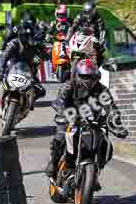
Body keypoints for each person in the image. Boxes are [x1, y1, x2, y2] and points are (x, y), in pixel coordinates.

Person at [44, 59, 127, 189]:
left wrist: (118, 126)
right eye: (85, 76)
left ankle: (94, 174)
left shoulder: (101, 89)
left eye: (91, 76)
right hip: (69, 118)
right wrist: (64, 112)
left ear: (96, 76)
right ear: (78, 75)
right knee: (60, 138)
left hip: (93, 121)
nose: (88, 79)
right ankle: (53, 163)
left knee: (106, 146)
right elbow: (59, 101)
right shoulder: (69, 85)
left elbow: (111, 108)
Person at [0, 22, 48, 107]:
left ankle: (27, 102)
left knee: (41, 91)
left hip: (28, 70)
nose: (27, 38)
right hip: (13, 66)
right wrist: (1, 71)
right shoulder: (14, 43)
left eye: (29, 36)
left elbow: (46, 56)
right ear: (20, 35)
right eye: (25, 36)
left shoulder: (35, 44)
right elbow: (3, 58)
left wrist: (39, 57)